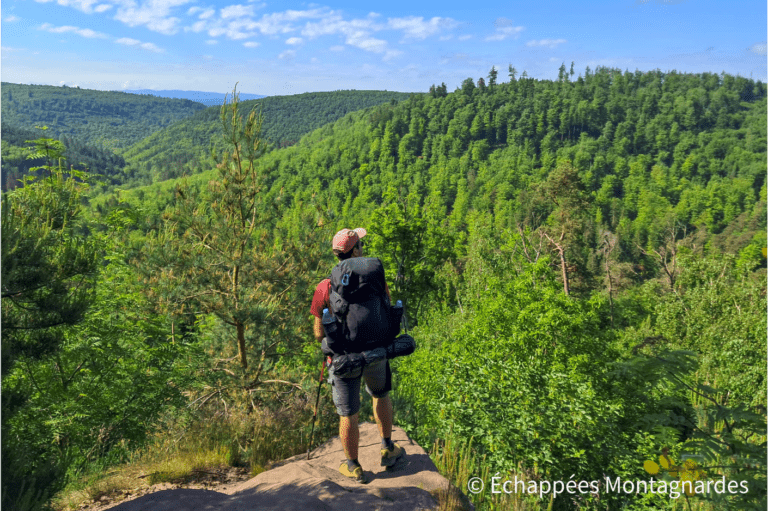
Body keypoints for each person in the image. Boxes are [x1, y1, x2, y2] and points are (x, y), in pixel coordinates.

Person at [310, 228, 404, 483]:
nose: (363, 247)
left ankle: (353, 465)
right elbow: (386, 307)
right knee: (380, 395)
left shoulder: (325, 286)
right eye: (360, 244)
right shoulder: (375, 279)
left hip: (344, 359)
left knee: (348, 413)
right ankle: (387, 448)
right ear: (354, 251)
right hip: (376, 351)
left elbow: (319, 333)